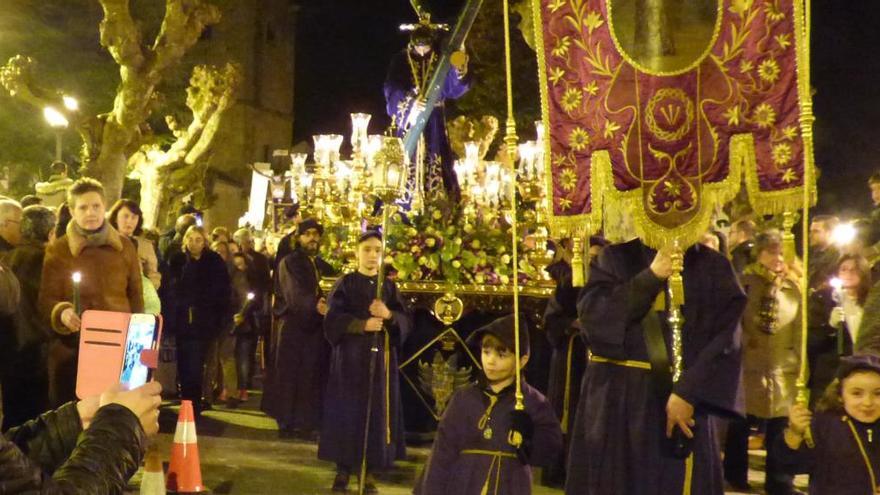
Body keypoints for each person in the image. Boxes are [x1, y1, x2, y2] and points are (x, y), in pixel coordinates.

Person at [566, 238, 746, 495]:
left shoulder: (714, 267)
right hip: (617, 403)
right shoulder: (615, 259)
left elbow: (727, 340)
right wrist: (650, 278)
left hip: (682, 405)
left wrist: (689, 393)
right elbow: (594, 322)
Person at [414, 314, 563, 495]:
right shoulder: (463, 399)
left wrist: (529, 435)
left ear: (522, 360)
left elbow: (549, 452)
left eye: (501, 355)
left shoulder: (534, 402)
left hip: (510, 485)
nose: (491, 361)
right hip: (463, 485)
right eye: (486, 352)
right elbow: (441, 454)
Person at [319, 231, 412, 493]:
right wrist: (361, 324)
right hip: (350, 359)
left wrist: (389, 315)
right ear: (357, 252)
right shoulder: (345, 284)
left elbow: (405, 321)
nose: (372, 255)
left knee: (375, 412)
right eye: (368, 249)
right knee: (347, 411)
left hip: (379, 359)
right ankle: (344, 469)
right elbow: (332, 320)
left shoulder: (389, 287)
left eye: (377, 251)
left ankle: (369, 469)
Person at [38, 178, 144, 406]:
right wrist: (62, 313)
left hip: (117, 345)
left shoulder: (125, 247)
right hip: (74, 349)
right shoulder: (59, 249)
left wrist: (138, 341)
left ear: (104, 207)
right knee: (76, 416)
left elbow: (136, 295)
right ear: (72, 211)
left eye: (96, 206)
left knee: (116, 413)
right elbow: (46, 299)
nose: (91, 213)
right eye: (83, 207)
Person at [725, 230, 802, 495]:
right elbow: (734, 321)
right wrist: (745, 342)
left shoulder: (794, 286)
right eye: (771, 252)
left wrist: (801, 365)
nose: (778, 258)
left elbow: (799, 328)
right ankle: (735, 476)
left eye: (782, 252)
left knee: (780, 426)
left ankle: (779, 480)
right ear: (759, 254)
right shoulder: (746, 282)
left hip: (782, 365)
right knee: (740, 422)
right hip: (749, 364)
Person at [264, 218, 335, 439]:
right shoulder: (289, 262)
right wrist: (315, 305)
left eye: (316, 234)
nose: (312, 238)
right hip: (294, 328)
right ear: (299, 237)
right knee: (290, 374)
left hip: (316, 330)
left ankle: (307, 422)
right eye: (307, 234)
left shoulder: (324, 266)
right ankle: (287, 421)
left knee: (311, 375)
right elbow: (293, 293)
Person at [384, 25, 471, 200]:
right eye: (419, 46)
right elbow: (392, 88)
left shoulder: (440, 59)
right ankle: (404, 203)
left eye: (426, 46)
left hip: (435, 121)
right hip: (411, 119)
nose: (423, 50)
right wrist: (410, 104)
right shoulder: (401, 60)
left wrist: (459, 71)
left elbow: (451, 88)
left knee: (437, 159)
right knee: (408, 160)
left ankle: (439, 203)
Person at [778, 353, 880, 495]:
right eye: (857, 393)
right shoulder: (825, 426)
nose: (868, 402)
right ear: (840, 395)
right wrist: (794, 434)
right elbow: (792, 465)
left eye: (878, 394)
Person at [165, 226, 231, 416]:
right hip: (182, 321)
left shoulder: (213, 262)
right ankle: (187, 400)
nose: (194, 243)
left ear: (205, 242)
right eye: (191, 239)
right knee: (185, 363)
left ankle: (194, 401)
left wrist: (219, 318)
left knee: (198, 363)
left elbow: (222, 292)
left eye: (198, 239)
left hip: (205, 322)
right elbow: (171, 288)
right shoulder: (177, 261)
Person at [2, 205, 56, 430]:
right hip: (34, 347)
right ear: (50, 233)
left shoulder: (9, 257)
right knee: (33, 418)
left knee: (13, 412)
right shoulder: (46, 261)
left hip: (10, 345)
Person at [808, 254, 871, 405]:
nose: (848, 274)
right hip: (831, 373)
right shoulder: (823, 299)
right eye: (843, 269)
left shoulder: (872, 301)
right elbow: (812, 341)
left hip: (865, 371)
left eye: (854, 270)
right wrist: (830, 326)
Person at [108, 199, 162, 314]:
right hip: (112, 302)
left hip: (141, 301)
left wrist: (146, 287)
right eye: (125, 216)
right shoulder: (106, 243)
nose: (129, 221)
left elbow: (153, 273)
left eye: (134, 217)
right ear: (116, 218)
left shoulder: (145, 245)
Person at [808, 215, 841, 291]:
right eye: (811, 231)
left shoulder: (838, 256)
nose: (810, 235)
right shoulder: (814, 254)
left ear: (829, 233)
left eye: (816, 231)